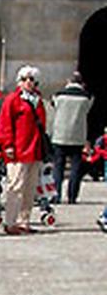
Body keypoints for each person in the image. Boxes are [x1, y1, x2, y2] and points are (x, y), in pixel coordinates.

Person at [0, 65, 46, 235]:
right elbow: (5, 124)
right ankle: (10, 221)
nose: (29, 82)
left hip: (34, 148)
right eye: (25, 79)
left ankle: (24, 220)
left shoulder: (38, 99)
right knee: (15, 186)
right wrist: (7, 145)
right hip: (18, 149)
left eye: (32, 79)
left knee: (30, 188)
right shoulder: (12, 99)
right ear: (19, 81)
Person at [49, 72, 94, 204]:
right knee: (75, 168)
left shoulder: (59, 95)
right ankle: (72, 196)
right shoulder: (87, 97)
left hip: (60, 135)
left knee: (58, 167)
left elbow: (53, 104)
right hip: (78, 137)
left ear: (68, 81)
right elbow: (88, 109)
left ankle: (56, 195)